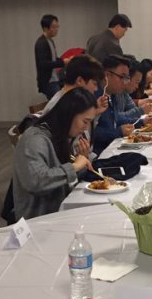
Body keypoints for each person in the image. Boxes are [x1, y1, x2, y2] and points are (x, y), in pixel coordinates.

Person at [13, 89, 96, 219]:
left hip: (59, 210)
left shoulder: (60, 134)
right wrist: (74, 167)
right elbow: (36, 181)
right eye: (85, 121)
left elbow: (64, 174)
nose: (86, 128)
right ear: (69, 115)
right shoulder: (35, 139)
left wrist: (82, 161)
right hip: (39, 219)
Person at [93, 55, 135, 155]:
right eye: (122, 77)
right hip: (100, 153)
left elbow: (116, 119)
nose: (125, 82)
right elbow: (90, 133)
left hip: (113, 147)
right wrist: (118, 132)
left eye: (127, 78)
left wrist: (140, 122)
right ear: (107, 75)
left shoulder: (113, 95)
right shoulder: (95, 97)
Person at [42, 54, 107, 116]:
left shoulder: (73, 101)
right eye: (94, 84)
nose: (96, 89)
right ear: (80, 81)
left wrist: (95, 112)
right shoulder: (62, 107)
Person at [35, 13, 65, 100]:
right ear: (45, 28)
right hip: (49, 81)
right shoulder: (41, 43)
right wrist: (63, 62)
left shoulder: (50, 41)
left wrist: (64, 61)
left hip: (54, 79)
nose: (56, 29)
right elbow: (43, 64)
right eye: (53, 27)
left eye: (57, 27)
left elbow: (53, 58)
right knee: (59, 103)